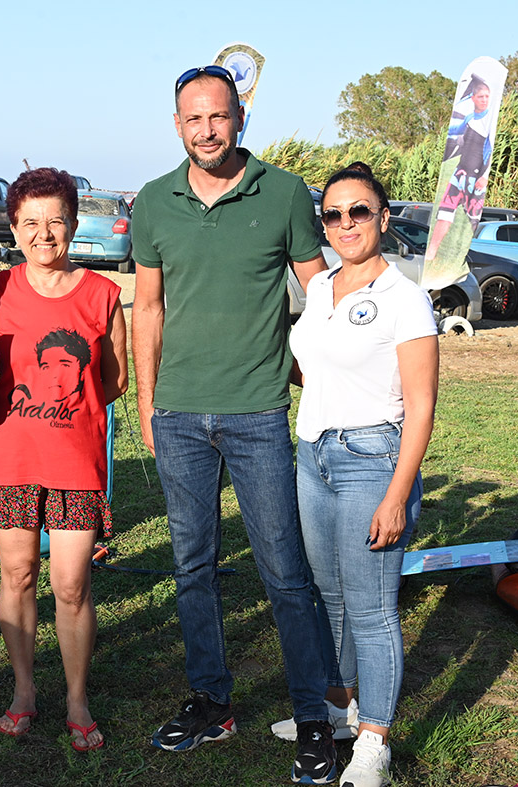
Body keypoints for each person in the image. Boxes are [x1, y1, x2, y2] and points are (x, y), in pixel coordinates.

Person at [130, 64, 336, 783]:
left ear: (240, 118)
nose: (206, 129)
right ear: (176, 124)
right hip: (179, 413)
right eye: (193, 118)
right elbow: (147, 308)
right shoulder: (154, 201)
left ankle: (314, 716)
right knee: (192, 567)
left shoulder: (283, 193)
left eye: (218, 116)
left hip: (257, 412)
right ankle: (211, 702)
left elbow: (321, 293)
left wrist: (333, 366)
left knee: (285, 572)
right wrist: (147, 402)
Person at [287, 167, 439, 787]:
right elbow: (312, 367)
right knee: (331, 597)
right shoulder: (320, 287)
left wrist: (397, 494)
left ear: (383, 218)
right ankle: (337, 711)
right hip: (313, 455)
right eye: (333, 214)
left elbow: (422, 405)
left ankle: (374, 741)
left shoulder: (405, 298)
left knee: (373, 609)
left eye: (359, 211)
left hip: (372, 459)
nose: (345, 223)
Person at [0, 167, 127, 752]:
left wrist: (67, 413)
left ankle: (76, 698)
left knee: (71, 585)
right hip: (11, 458)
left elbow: (114, 381)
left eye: (56, 221)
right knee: (17, 575)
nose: (44, 234)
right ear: (14, 228)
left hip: (75, 464)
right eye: (30, 223)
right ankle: (23, 691)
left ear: (74, 224)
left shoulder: (103, 295)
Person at [425, 76, 494, 262]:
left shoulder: (489, 121)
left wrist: (484, 176)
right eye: (481, 96)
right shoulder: (469, 118)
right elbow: (458, 140)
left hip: (476, 177)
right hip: (460, 172)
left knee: (473, 217)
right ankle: (431, 253)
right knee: (445, 212)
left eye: (487, 96)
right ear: (473, 98)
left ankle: (462, 257)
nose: (484, 100)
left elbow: (489, 150)